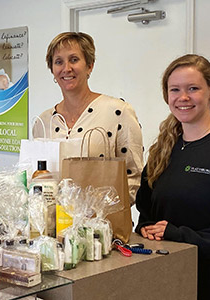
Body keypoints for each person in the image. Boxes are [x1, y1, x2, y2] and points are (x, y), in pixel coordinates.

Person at [135, 54, 210, 299]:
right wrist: (147, 228)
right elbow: (147, 210)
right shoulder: (162, 150)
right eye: (175, 89)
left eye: (193, 88)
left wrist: (178, 234)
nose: (183, 98)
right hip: (169, 278)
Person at [33, 32, 143, 205]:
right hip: (52, 226)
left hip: (102, 226)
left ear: (90, 65)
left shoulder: (118, 112)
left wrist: (100, 214)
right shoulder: (43, 122)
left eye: (74, 59)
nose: (66, 68)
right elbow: (39, 179)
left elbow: (133, 177)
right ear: (52, 69)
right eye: (59, 62)